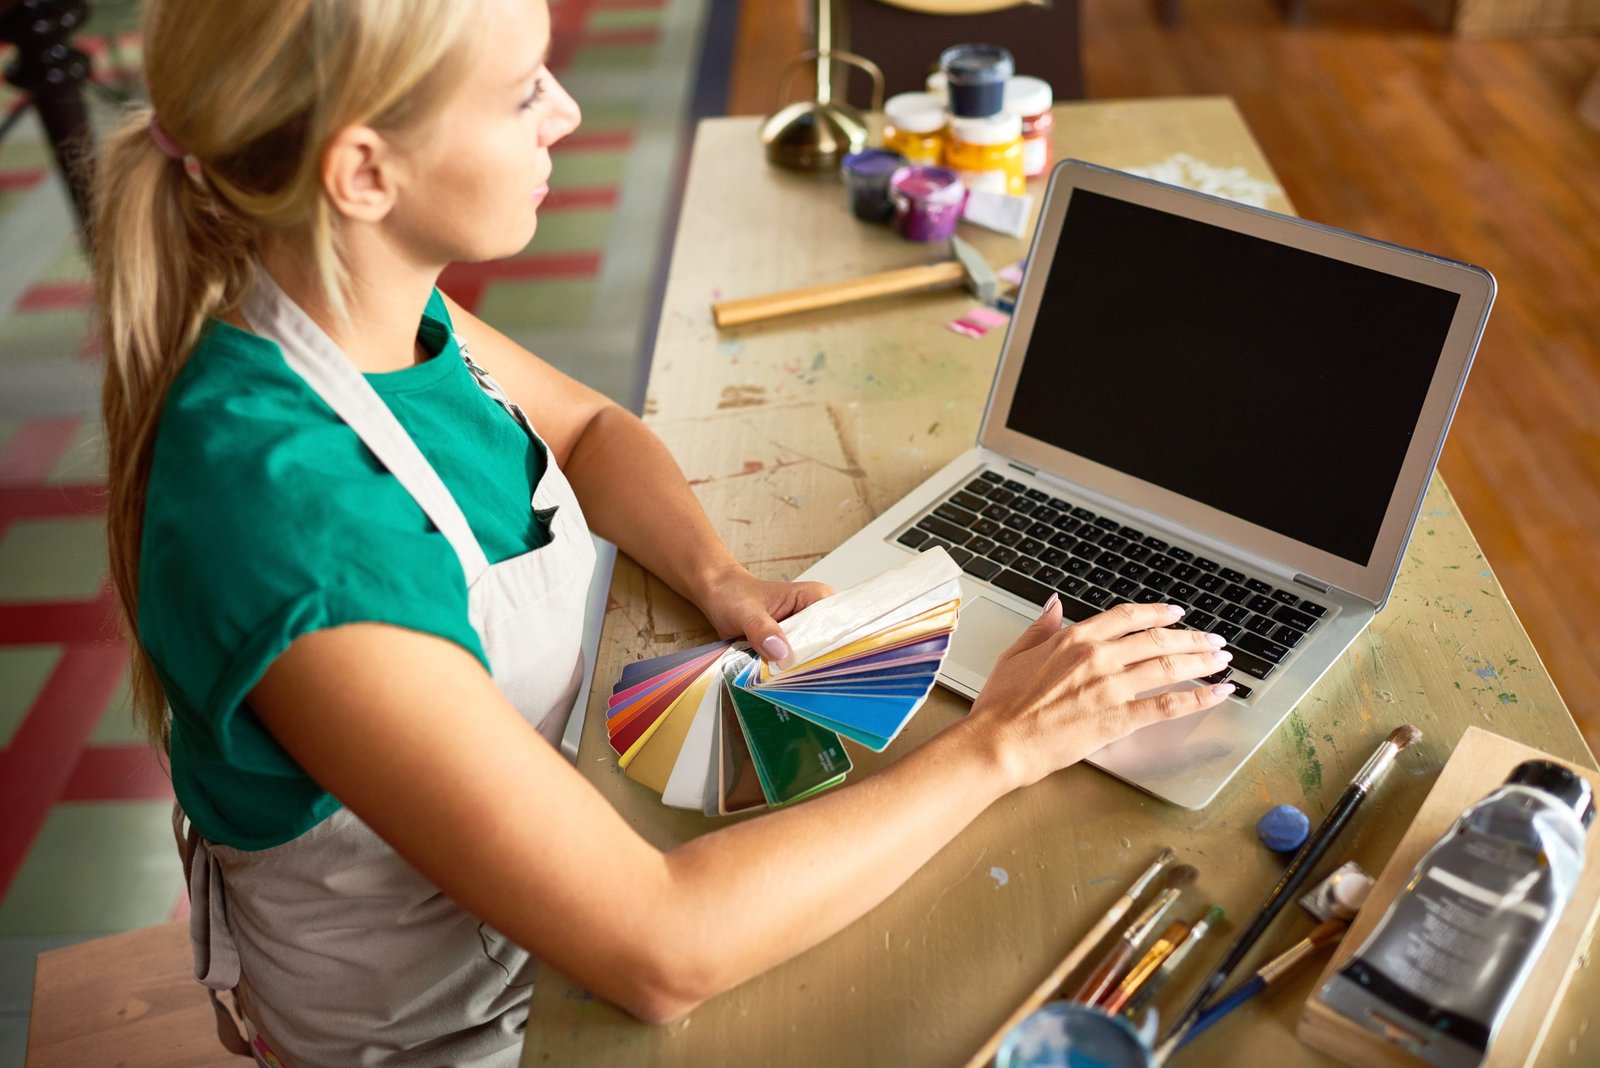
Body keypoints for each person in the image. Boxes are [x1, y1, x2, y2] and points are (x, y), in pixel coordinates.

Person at [93, 0, 1237, 1064]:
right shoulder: (298, 526)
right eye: (522, 91)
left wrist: (720, 576)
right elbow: (660, 949)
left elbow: (589, 428)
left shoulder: (370, 303)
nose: (568, 112)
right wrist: (1003, 743)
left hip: (549, 904)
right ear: (363, 172)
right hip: (470, 1030)